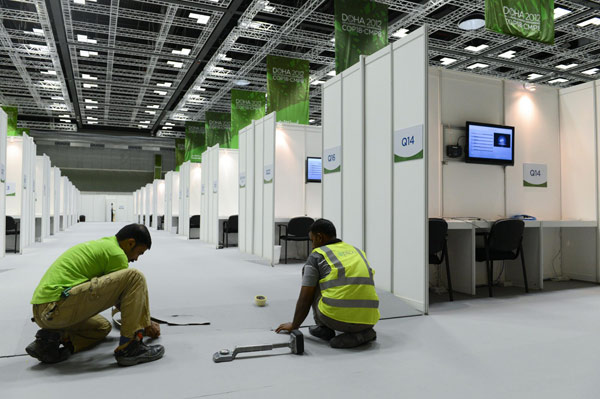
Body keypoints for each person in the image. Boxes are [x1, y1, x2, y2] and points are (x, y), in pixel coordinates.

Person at [26, 224, 164, 367]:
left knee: (102, 327)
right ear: (130, 243)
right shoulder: (117, 255)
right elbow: (124, 300)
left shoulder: (106, 245)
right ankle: (130, 347)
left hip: (43, 311)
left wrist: (144, 320)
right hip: (56, 308)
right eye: (139, 253)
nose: (136, 259)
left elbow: (115, 295)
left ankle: (51, 342)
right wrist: (146, 324)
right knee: (135, 277)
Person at [276, 219, 379, 348]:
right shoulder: (356, 251)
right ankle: (364, 332)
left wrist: (294, 325)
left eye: (312, 240)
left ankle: (326, 328)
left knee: (313, 282)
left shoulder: (317, 256)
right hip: (370, 318)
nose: (312, 245)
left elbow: (305, 297)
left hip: (336, 319)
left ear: (320, 237)